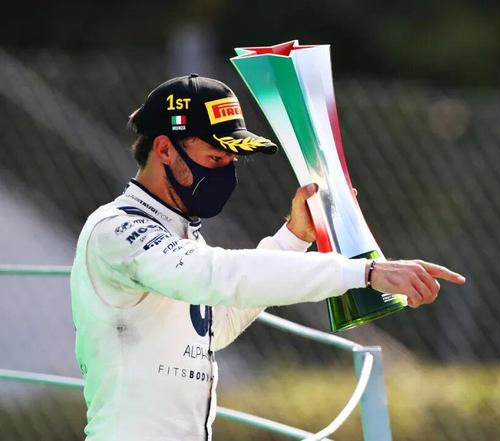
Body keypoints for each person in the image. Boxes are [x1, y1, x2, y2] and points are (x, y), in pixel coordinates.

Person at [70, 73, 466, 441]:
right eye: (215, 158)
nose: (226, 173)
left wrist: (293, 239)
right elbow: (218, 276)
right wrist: (365, 272)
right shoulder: (116, 230)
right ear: (164, 150)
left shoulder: (180, 236)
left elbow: (215, 327)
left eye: (232, 161)